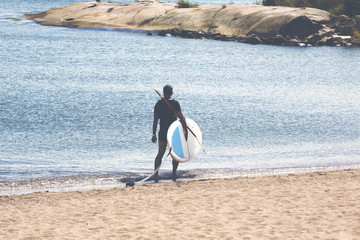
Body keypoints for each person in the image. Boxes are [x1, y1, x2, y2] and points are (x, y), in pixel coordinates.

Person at [152, 85, 187, 182]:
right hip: (173, 133)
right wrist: (186, 132)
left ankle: (156, 175)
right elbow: (182, 118)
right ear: (171, 93)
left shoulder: (158, 104)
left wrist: (153, 134)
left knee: (160, 153)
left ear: (163, 92)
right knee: (174, 154)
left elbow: (155, 120)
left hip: (162, 132)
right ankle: (174, 173)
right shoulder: (175, 104)